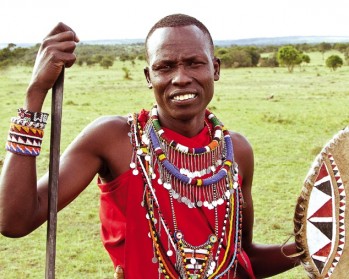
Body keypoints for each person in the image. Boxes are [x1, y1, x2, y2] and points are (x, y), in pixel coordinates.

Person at [0, 14, 300, 278]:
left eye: (195, 63)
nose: (181, 78)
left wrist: (311, 245)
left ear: (216, 69)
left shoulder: (237, 152)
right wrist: (35, 94)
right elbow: (15, 220)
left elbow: (242, 259)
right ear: (149, 76)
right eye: (165, 67)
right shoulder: (114, 138)